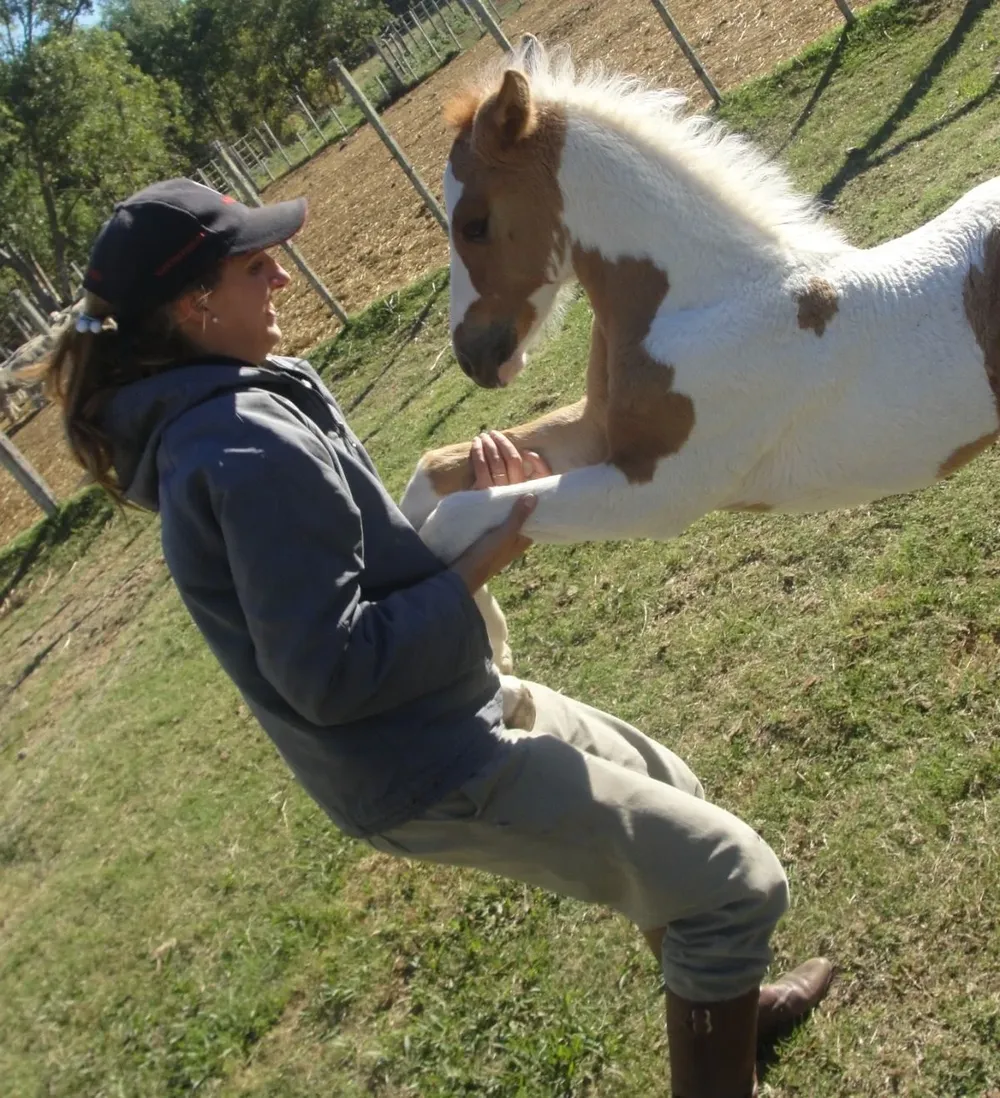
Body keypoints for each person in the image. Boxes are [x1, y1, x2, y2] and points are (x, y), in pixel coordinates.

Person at [47, 178, 833, 1098]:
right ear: (195, 305)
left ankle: (729, 1009)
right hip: (425, 762)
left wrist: (464, 514)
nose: (282, 279)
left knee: (674, 792)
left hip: (445, 700)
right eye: (255, 267)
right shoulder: (238, 447)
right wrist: (476, 565)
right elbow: (330, 671)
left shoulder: (239, 400)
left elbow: (350, 572)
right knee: (734, 882)